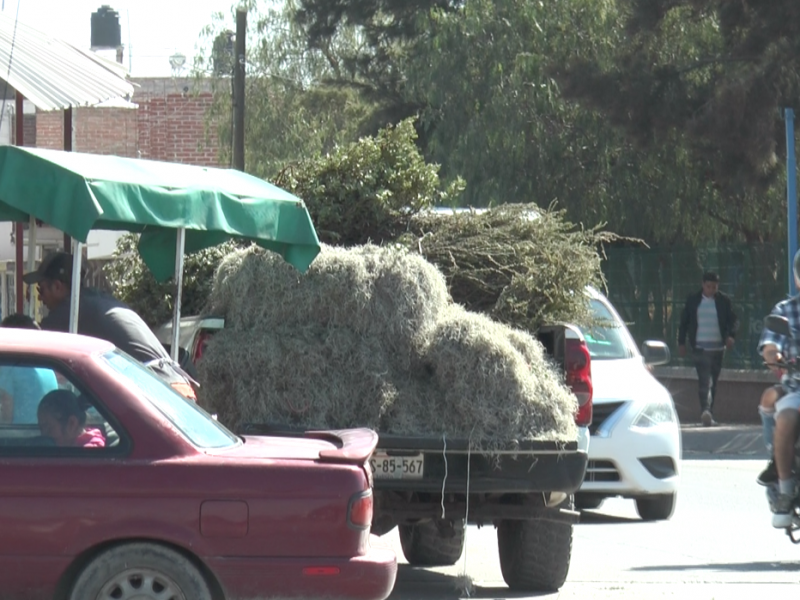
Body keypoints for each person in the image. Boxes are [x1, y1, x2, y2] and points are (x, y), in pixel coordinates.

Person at [23, 251, 197, 400]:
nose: (39, 298)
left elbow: (30, 346)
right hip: (175, 387)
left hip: (158, 393)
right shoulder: (97, 299)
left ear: (58, 286)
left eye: (41, 290)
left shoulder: (71, 309)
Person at [678, 271, 738, 427]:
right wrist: (681, 343)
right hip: (699, 348)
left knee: (714, 381)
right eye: (709, 286)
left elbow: (733, 321)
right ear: (703, 284)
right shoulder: (693, 301)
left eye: (714, 287)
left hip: (718, 348)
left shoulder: (724, 301)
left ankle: (709, 412)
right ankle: (705, 410)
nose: (711, 290)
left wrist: (731, 336)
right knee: (705, 380)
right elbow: (684, 323)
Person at [0, 314, 60, 424]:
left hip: (21, 437)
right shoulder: (48, 366)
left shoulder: (10, 366)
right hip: (46, 434)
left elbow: (6, 413)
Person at [37, 389, 105, 447]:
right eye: (41, 429)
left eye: (49, 428)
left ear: (72, 424)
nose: (44, 435)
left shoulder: (88, 455)